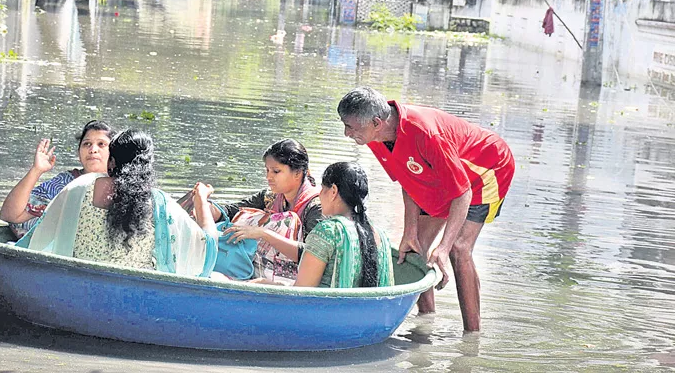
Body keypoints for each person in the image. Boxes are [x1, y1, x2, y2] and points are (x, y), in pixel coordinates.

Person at [337, 86, 515, 331]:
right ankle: (426, 322)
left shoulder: (425, 134)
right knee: (413, 251)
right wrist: (409, 231)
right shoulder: (374, 136)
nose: (347, 133)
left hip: (485, 168)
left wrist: (443, 246)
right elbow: (408, 179)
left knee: (458, 249)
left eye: (351, 127)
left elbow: (462, 193)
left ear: (377, 122)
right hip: (441, 171)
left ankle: (472, 337)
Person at [26, 129, 218, 277]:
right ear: (147, 166)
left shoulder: (79, 188)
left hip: (79, 283)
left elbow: (39, 236)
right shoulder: (159, 202)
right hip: (135, 294)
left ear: (112, 160)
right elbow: (208, 248)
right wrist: (201, 199)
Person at [194, 139, 322, 280]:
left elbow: (313, 256)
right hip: (261, 272)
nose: (268, 177)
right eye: (267, 170)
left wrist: (263, 233)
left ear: (297, 173)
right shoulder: (269, 197)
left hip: (298, 281)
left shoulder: (315, 208)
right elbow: (230, 213)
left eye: (276, 171)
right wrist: (202, 204)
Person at [0, 120, 115, 238]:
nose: (93, 150)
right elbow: (10, 215)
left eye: (101, 144)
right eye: (87, 144)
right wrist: (36, 170)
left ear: (113, 153)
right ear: (78, 154)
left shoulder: (125, 184)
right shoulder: (64, 183)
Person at [295, 162, 393, 288]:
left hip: (326, 307)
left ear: (333, 191)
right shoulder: (380, 235)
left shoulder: (328, 232)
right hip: (370, 308)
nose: (319, 195)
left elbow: (301, 291)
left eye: (323, 189)